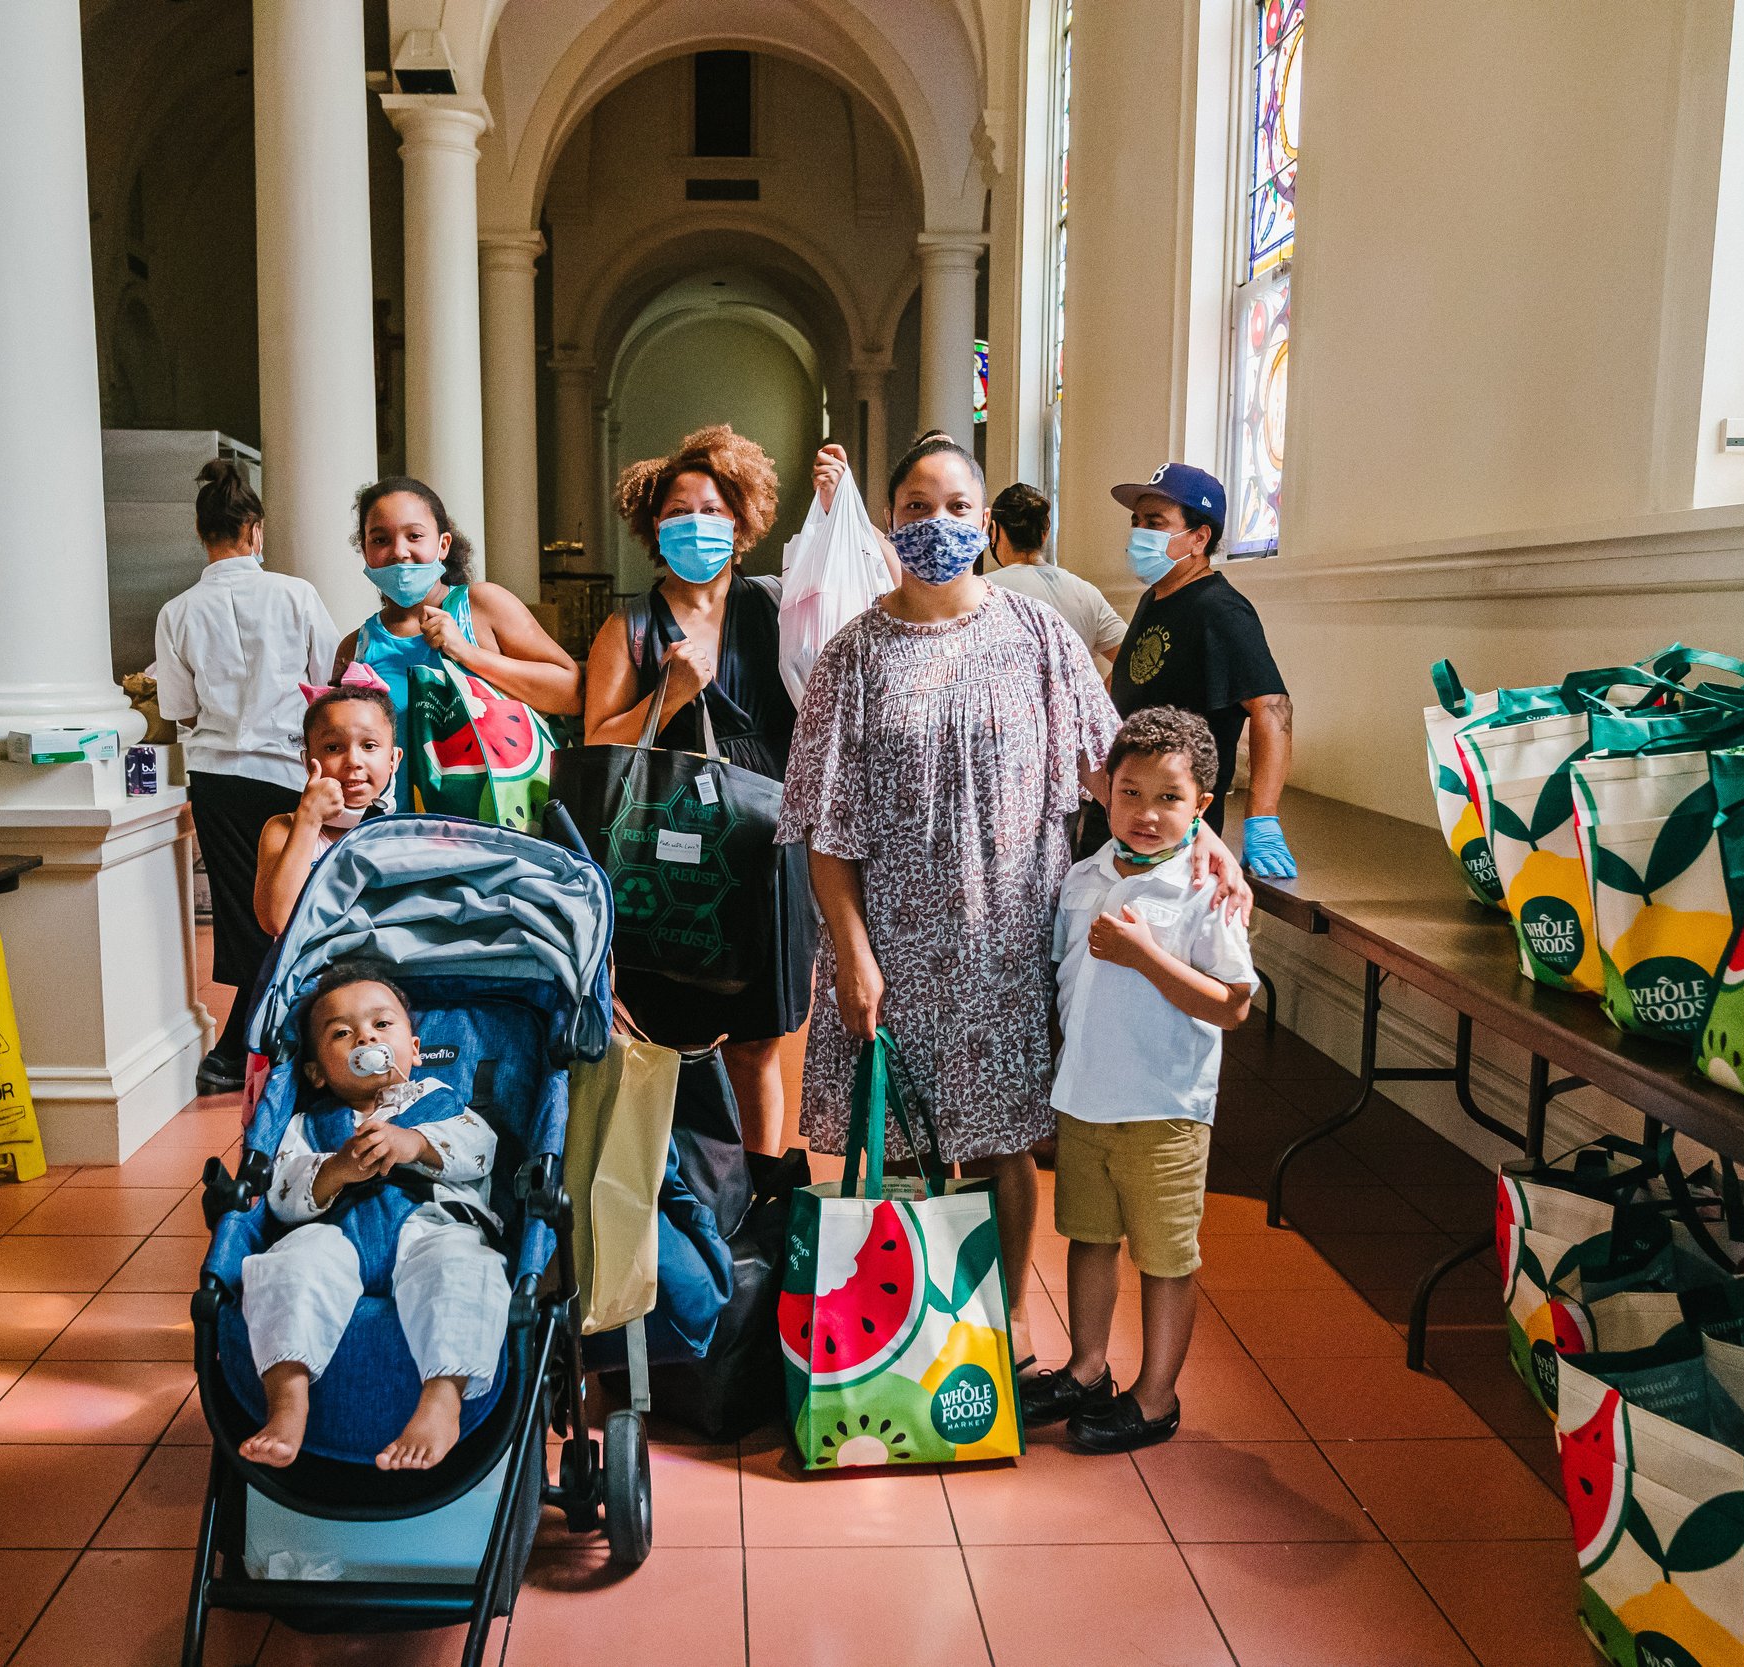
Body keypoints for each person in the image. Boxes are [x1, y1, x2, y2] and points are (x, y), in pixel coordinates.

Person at [783, 435, 1252, 1369]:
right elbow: (825, 834)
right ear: (890, 521)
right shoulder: (852, 657)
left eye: (960, 507)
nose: (940, 525)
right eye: (917, 507)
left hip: (1011, 942)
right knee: (906, 1149)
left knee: (1005, 1147)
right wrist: (853, 952)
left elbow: (1123, 777)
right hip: (895, 950)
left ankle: (1005, 1325)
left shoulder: (1040, 637)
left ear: (986, 522)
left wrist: (1211, 843)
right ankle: (913, 1335)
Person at [1021, 708, 1257, 1453]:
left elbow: (1232, 1003)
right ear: (1104, 794)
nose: (1146, 813)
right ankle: (1088, 1368)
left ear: (1202, 809)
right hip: (1087, 1099)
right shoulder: (1083, 876)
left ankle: (1155, 1396)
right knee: (1088, 1238)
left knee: (1164, 1254)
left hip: (1164, 1106)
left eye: (1168, 797)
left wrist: (1145, 956)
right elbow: (1065, 984)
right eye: (1130, 793)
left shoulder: (1204, 889)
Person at [583, 424, 814, 1155]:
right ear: (654, 524)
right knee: (661, 1037)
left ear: (742, 522)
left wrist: (841, 509)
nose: (697, 524)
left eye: (713, 510)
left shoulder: (778, 609)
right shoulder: (629, 626)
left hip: (766, 843)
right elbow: (595, 745)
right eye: (679, 510)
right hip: (665, 849)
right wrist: (672, 696)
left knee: (756, 1042)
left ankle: (760, 1188)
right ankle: (664, 1192)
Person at [237, 964, 507, 1473]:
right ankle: (288, 1400)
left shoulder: (444, 1104)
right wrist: (335, 1169)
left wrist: (416, 1143)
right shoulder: (309, 1124)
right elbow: (281, 1191)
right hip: (337, 1234)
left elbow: (481, 1152)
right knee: (290, 1263)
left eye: (382, 1025)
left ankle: (443, 1398)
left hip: (432, 1224)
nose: (365, 1035)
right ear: (316, 1071)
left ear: (415, 1049)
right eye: (341, 1033)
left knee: (463, 1265)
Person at [155, 459, 342, 1095]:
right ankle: (255, 1041)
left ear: (204, 535)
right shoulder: (297, 595)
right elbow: (325, 686)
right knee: (287, 904)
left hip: (215, 776)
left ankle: (243, 1043)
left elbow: (177, 708)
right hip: (287, 770)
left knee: (245, 909)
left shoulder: (176, 611)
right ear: (254, 532)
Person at [1109, 462, 1296, 877]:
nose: (1139, 533)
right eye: (1136, 521)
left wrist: (1262, 819)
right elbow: (1126, 680)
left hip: (1176, 840)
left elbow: (1272, 707)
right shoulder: (1155, 599)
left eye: (1155, 523)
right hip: (1127, 822)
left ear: (1198, 538)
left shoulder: (1219, 610)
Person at [336, 477, 581, 788]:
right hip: (394, 828)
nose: (399, 551)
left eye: (414, 536)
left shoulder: (483, 605)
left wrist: (468, 653)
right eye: (380, 540)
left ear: (442, 545)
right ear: (365, 551)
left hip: (493, 826)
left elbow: (571, 693)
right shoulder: (354, 648)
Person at [254, 671, 399, 939]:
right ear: (309, 761)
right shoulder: (283, 830)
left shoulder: (403, 832)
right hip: (310, 974)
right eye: (333, 747)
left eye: (369, 745)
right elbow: (276, 920)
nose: (353, 760)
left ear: (394, 759)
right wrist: (308, 820)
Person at [983, 483, 1126, 668]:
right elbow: (1132, 662)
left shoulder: (979, 592)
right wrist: (1102, 694)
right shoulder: (1086, 594)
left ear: (993, 531)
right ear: (1045, 534)